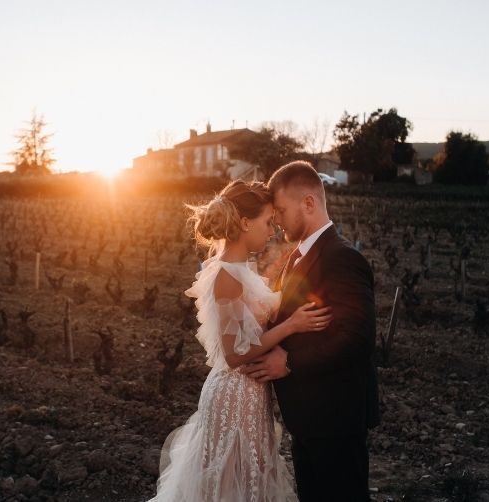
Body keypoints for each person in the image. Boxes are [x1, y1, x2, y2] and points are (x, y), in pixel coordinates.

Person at [149, 179, 333, 502]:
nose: (272, 230)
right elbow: (236, 353)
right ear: (245, 223)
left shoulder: (240, 271)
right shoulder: (227, 278)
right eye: (266, 222)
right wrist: (291, 325)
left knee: (248, 485)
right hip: (233, 395)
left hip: (249, 395)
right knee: (231, 489)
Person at [241, 161, 380, 501]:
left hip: (335, 417)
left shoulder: (341, 258)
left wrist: (289, 363)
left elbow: (357, 338)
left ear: (308, 203)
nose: (276, 222)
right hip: (308, 418)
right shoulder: (297, 257)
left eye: (281, 211)